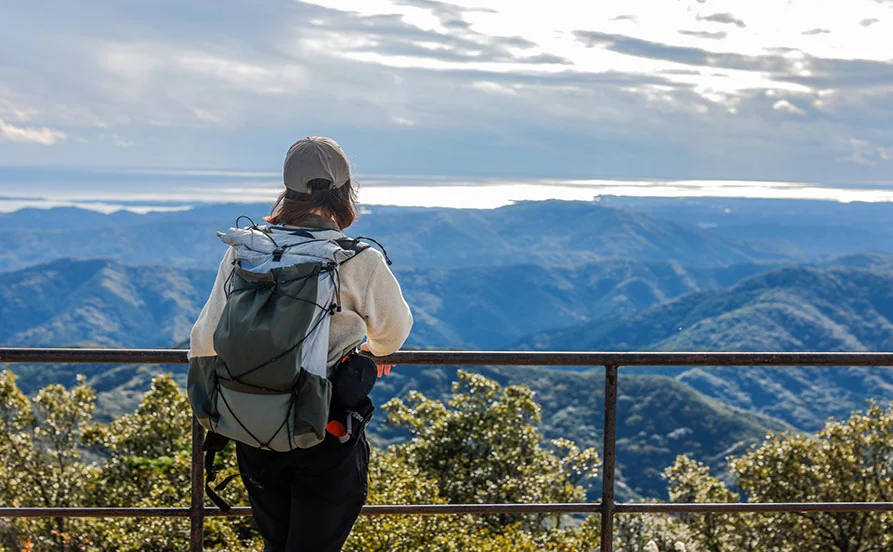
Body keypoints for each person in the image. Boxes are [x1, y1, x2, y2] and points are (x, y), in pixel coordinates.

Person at [188, 136, 413, 551]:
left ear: (286, 190)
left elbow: (205, 339)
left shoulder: (247, 248)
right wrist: (373, 351)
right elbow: (393, 332)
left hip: (253, 422)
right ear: (345, 192)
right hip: (323, 426)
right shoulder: (356, 258)